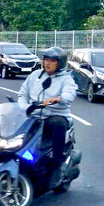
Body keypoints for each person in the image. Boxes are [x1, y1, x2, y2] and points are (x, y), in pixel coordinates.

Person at [17, 46, 77, 186]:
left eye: (52, 61)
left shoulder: (66, 79)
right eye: (46, 60)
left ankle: (57, 166)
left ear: (60, 63)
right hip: (35, 115)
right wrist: (25, 107)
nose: (47, 63)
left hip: (56, 114)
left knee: (57, 124)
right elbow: (22, 94)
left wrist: (59, 98)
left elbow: (70, 93)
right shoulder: (35, 76)